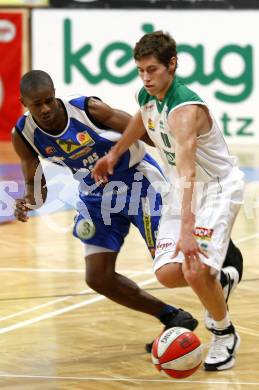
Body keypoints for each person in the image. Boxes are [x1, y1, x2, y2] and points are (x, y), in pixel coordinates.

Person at [12, 69, 199, 348]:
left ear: (55, 95)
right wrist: (28, 201)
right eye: (37, 104)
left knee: (167, 265)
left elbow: (146, 132)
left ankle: (219, 270)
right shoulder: (24, 134)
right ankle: (172, 317)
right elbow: (35, 186)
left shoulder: (87, 109)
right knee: (98, 277)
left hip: (139, 181)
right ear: (23, 103)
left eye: (49, 100)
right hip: (96, 195)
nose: (46, 108)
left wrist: (179, 163)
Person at [92, 31, 244, 371]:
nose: (146, 78)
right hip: (183, 189)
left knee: (193, 268)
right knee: (167, 274)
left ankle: (223, 332)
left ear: (171, 65)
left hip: (217, 188)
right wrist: (115, 154)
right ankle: (219, 278)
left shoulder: (184, 111)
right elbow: (140, 118)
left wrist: (188, 229)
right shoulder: (148, 96)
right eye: (140, 70)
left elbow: (189, 171)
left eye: (152, 70)